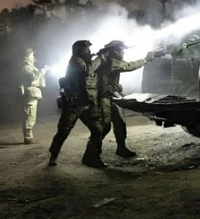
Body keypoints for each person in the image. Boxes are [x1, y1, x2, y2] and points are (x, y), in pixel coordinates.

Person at [48, 40, 107, 168]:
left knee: (97, 130)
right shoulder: (76, 60)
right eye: (87, 50)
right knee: (63, 131)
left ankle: (93, 158)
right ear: (80, 50)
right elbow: (88, 70)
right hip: (73, 105)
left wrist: (100, 57)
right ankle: (53, 155)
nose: (90, 51)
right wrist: (100, 59)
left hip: (87, 103)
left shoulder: (84, 60)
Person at [97, 40, 155, 158]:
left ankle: (121, 148)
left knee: (118, 123)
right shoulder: (111, 62)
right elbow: (128, 66)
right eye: (122, 50)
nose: (123, 52)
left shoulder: (109, 60)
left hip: (108, 97)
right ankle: (91, 153)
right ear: (116, 50)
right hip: (102, 98)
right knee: (105, 126)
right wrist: (145, 60)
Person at [20, 48, 48, 144]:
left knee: (31, 116)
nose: (33, 56)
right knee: (29, 115)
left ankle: (29, 137)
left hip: (33, 93)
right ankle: (28, 138)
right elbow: (32, 78)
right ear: (26, 56)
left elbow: (39, 80)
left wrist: (42, 72)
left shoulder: (31, 66)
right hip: (29, 93)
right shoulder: (25, 67)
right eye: (32, 55)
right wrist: (42, 72)